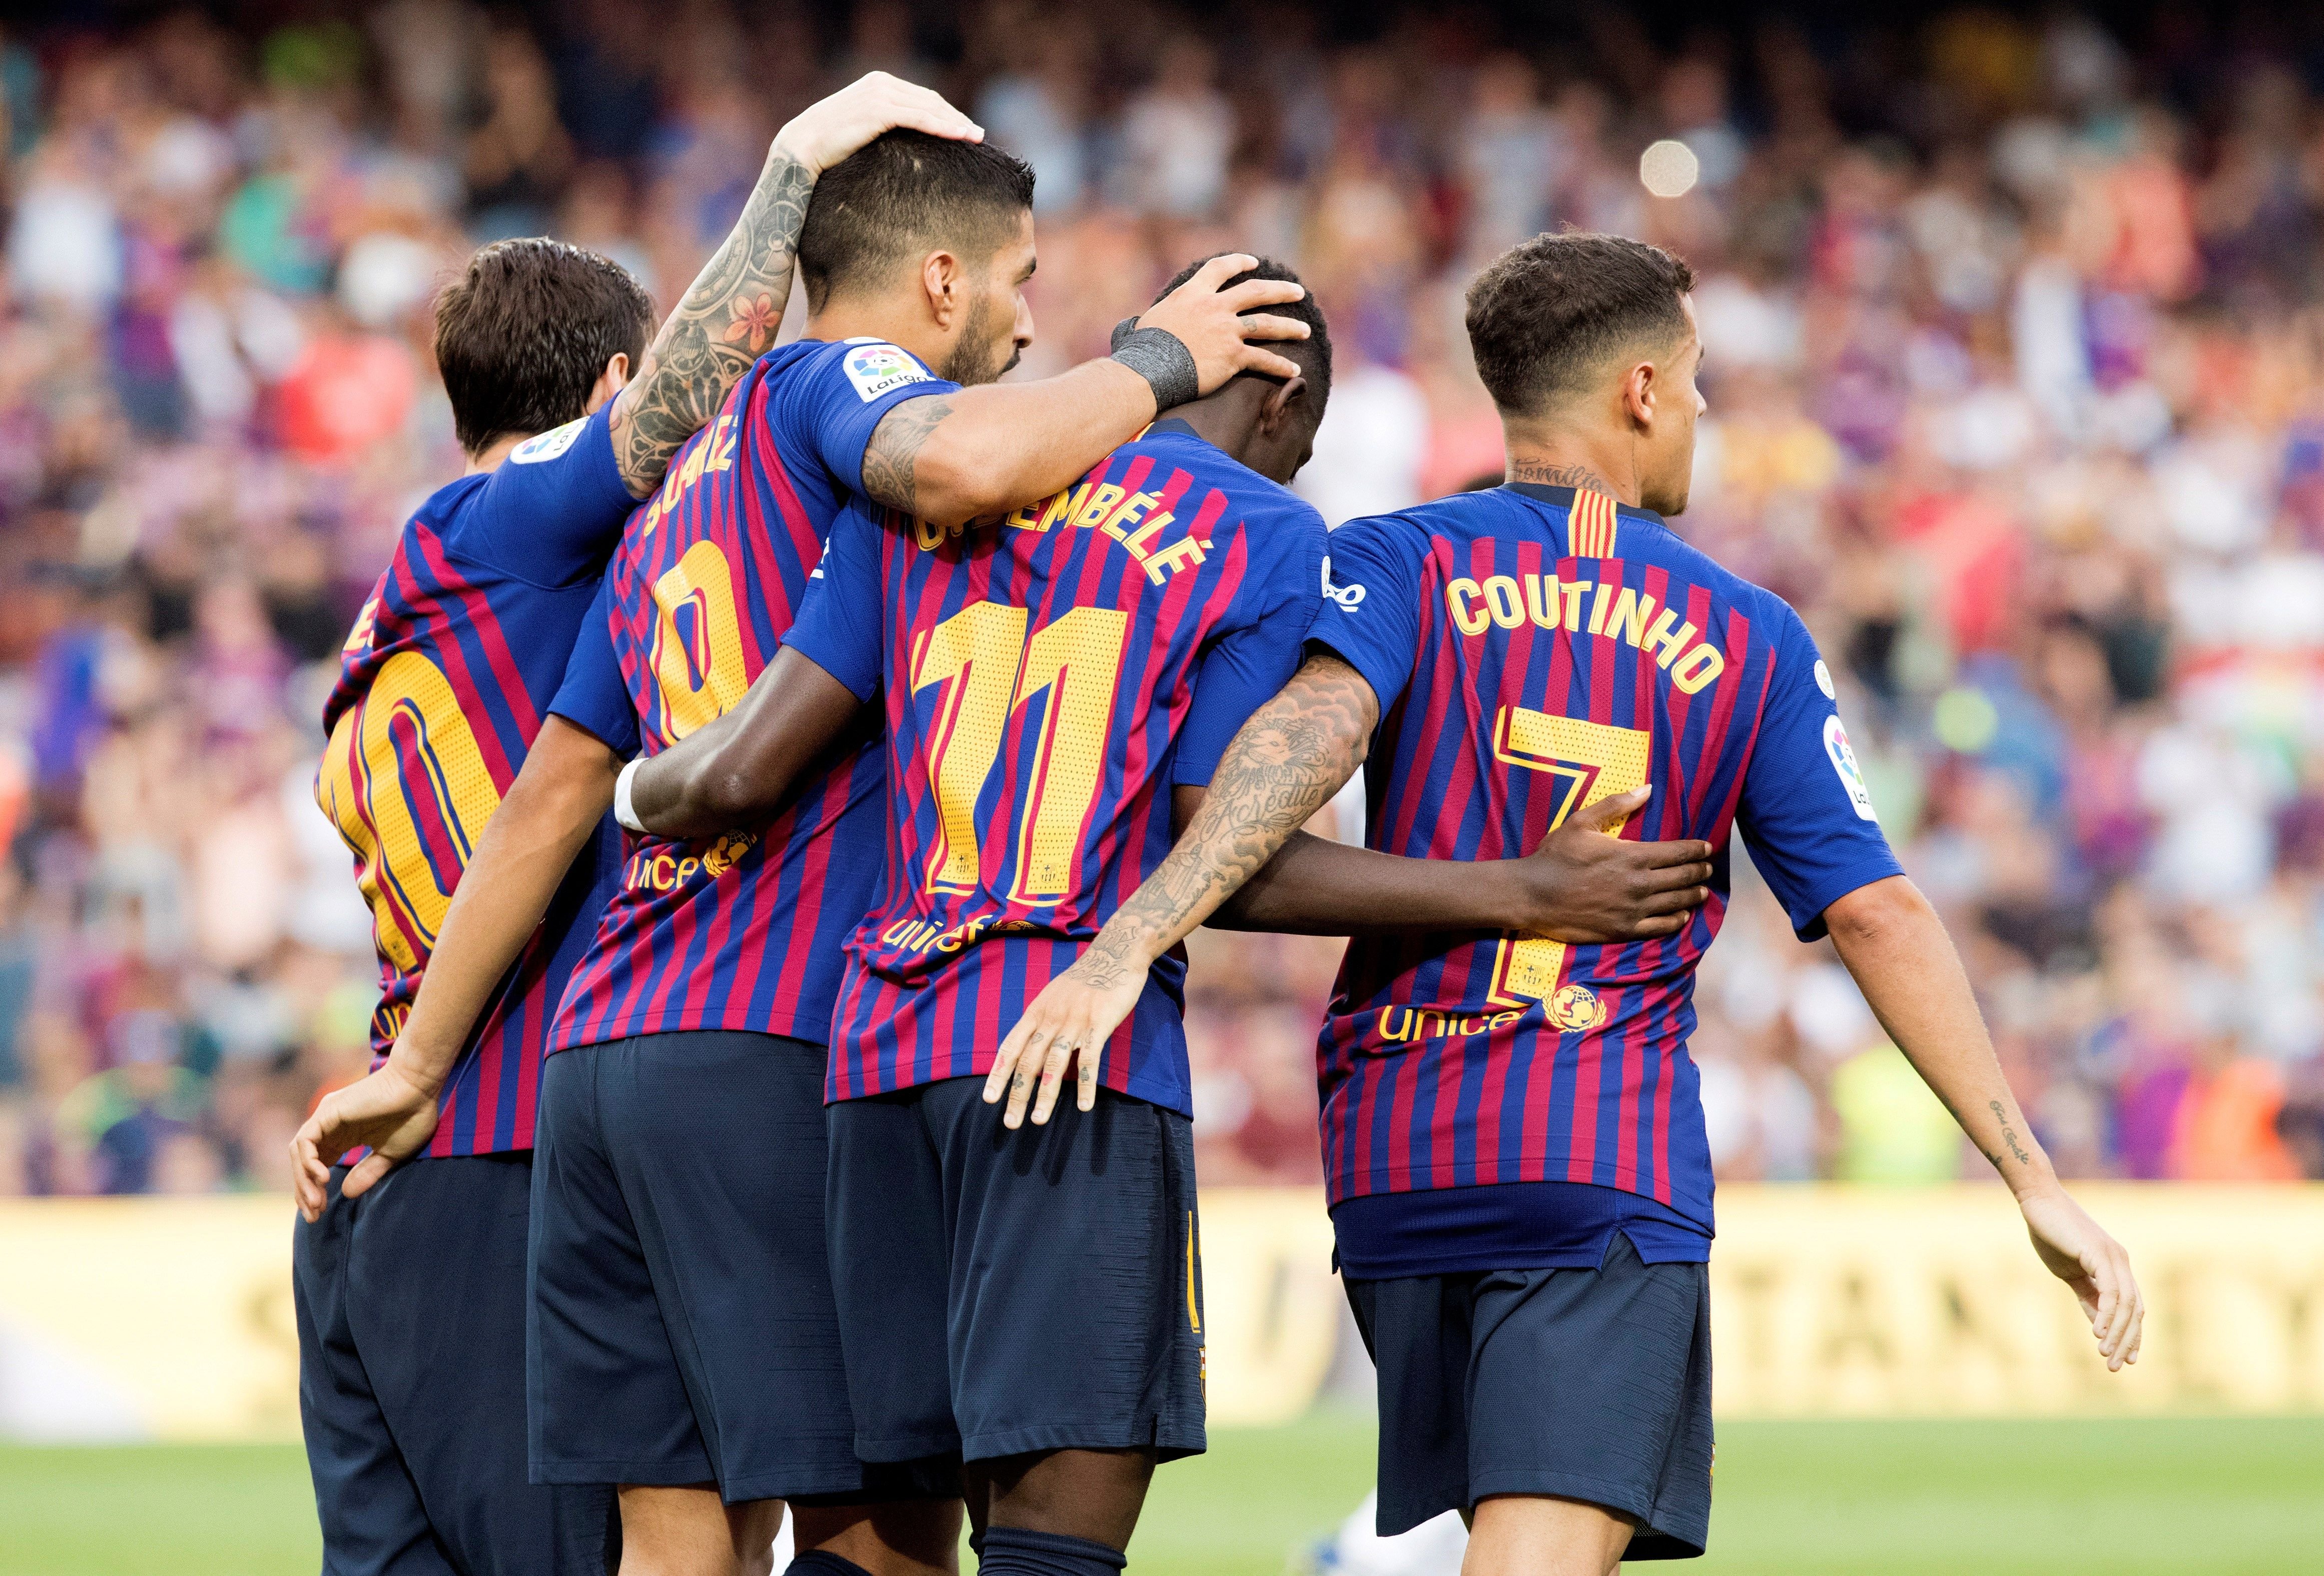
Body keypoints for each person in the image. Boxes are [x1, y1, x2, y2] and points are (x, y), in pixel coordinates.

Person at [990, 232, 2148, 1576]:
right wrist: (2031, 1176)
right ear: (1642, 390)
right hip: (1593, 1158)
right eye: (1696, 376)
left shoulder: (1394, 560)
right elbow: (1875, 914)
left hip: (1393, 1169)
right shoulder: (1748, 630)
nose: (1704, 406)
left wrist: (1134, 934)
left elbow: (1302, 742)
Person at [612, 256, 1714, 1576]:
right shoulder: (1262, 531)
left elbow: (760, 755)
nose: (1301, 466)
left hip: (876, 1054)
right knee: (1051, 1546)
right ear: (1280, 397)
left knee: (871, 1542)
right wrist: (1518, 893)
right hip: (1069, 1056)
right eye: (1306, 439)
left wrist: (624, 794)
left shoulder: (928, 497)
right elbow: (1227, 847)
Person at [307, 144, 1318, 1576]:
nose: (1029, 326)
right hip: (773, 1029)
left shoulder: (675, 486)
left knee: (673, 1547)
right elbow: (964, 463)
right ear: (942, 280)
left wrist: (420, 1061)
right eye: (1020, 281)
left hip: (599, 1058)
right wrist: (1156, 364)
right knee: (880, 1527)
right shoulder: (842, 396)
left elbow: (548, 792)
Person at [285, 73, 982, 1576]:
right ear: (614, 380)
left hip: (390, 1167)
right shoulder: (524, 522)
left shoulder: (405, 595)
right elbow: (675, 407)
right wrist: (790, 165)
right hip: (510, 1152)